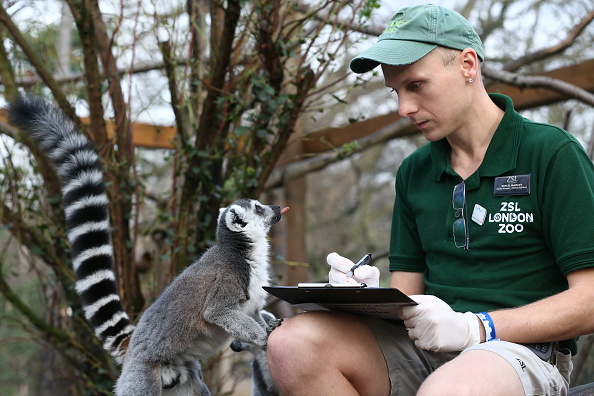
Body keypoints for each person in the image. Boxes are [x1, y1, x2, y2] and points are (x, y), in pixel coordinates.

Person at [266, 3, 594, 395]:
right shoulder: (414, 172)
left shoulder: (551, 154)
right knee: (291, 344)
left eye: (416, 86)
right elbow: (409, 298)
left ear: (468, 66)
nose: (404, 108)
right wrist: (364, 297)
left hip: (520, 352)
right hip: (427, 348)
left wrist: (477, 327)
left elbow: (589, 300)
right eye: (396, 91)